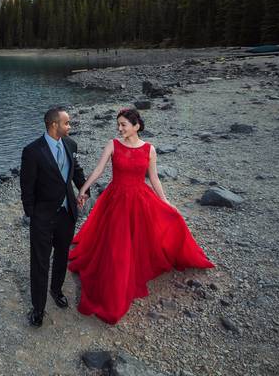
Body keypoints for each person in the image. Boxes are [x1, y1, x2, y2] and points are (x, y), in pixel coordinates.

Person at [68, 108, 214, 324]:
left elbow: (154, 179)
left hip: (139, 198)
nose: (119, 128)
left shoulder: (149, 149)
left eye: (123, 124)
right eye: (118, 124)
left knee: (148, 231)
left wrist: (165, 202)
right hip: (116, 199)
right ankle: (116, 281)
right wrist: (83, 189)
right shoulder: (113, 145)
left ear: (136, 126)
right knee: (117, 243)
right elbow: (99, 170)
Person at [20, 106, 89, 328]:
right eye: (67, 123)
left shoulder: (71, 144)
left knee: (61, 255)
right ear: (54, 125)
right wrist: (32, 214)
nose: (70, 126)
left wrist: (83, 191)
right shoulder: (32, 151)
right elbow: (26, 187)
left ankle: (56, 290)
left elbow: (76, 171)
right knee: (40, 262)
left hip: (67, 212)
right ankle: (38, 308)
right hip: (43, 216)